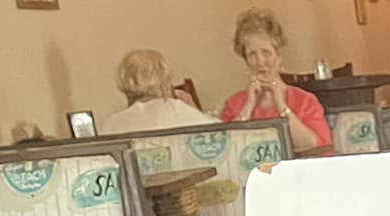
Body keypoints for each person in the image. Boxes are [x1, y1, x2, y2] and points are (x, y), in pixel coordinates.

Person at [217, 10, 331, 149]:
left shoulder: (305, 101)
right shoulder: (233, 105)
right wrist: (248, 106)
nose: (260, 62)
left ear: (279, 56)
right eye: (252, 54)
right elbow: (226, 149)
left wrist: (281, 106)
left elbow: (316, 148)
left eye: (266, 52)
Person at [103, 49, 216, 134]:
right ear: (164, 81)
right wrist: (194, 109)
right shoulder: (179, 110)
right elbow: (219, 135)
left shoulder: (112, 124)